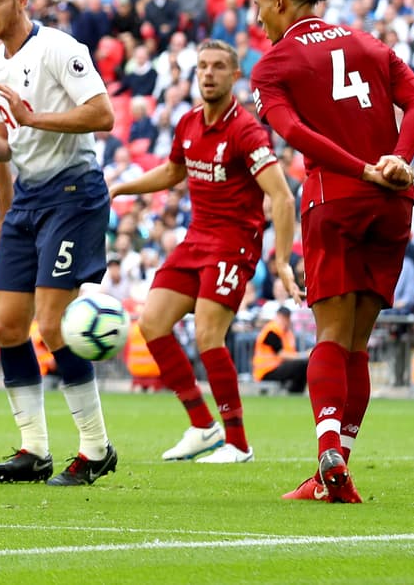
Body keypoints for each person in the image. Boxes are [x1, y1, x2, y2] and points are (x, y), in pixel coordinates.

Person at [249, 0, 414, 503]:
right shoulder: (370, 44)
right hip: (393, 202)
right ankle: (337, 471)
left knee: (329, 335)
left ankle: (328, 446)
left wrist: (360, 168)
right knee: (357, 342)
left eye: (260, 5)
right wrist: (397, 160)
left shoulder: (273, 64)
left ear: (281, 1)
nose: (258, 18)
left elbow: (294, 133)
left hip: (336, 199)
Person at [0, 0, 118, 487]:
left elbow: (102, 115)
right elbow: (7, 146)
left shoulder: (61, 49)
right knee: (6, 325)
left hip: (74, 192)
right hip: (27, 198)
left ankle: (96, 449)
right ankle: (34, 450)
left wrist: (34, 120)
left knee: (52, 325)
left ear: (22, 0)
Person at [110, 40, 300, 464]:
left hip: (233, 243)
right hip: (195, 240)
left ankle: (238, 443)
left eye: (218, 67)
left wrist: (283, 261)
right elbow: (173, 171)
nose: (209, 74)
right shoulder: (189, 122)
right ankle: (202, 426)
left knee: (208, 335)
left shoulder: (246, 130)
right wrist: (123, 185)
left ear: (235, 76)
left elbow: (283, 198)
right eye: (202, 67)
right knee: (152, 323)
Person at [253, 306, 308, 393]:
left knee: (303, 364)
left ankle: (295, 392)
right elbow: (281, 353)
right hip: (266, 371)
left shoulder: (287, 333)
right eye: (283, 317)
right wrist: (304, 355)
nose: (285, 320)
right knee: (302, 363)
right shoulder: (271, 331)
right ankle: (294, 393)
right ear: (277, 316)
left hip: (278, 367)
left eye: (287, 317)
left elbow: (290, 353)